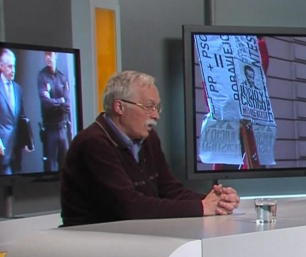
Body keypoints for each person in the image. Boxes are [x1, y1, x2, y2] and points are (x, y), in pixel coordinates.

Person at [60, 70, 240, 226]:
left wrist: (216, 201)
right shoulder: (93, 144)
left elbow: (169, 190)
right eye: (148, 107)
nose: (155, 115)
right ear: (119, 107)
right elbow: (130, 207)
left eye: (157, 108)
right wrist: (202, 207)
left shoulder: (148, 138)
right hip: (91, 239)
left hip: (136, 235)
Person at [38, 51, 73, 172]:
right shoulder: (42, 76)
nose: (48, 57)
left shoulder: (62, 77)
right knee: (50, 169)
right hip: (50, 130)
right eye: (46, 55)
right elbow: (46, 103)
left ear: (56, 56)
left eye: (50, 54)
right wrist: (60, 100)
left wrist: (54, 102)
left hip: (62, 129)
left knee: (66, 167)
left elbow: (67, 105)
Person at [0, 48, 27, 175]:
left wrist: (26, 140)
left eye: (14, 66)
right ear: (1, 66)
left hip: (16, 151)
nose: (13, 70)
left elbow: (22, 116)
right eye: (10, 66)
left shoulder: (17, 88)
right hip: (3, 149)